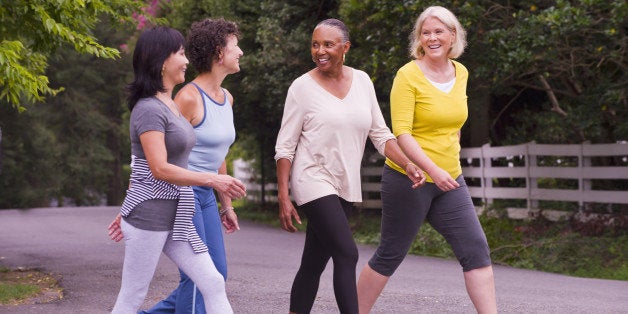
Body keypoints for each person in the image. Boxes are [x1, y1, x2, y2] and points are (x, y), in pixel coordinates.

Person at [274, 19, 425, 314]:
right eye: (315, 44)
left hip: (344, 184)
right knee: (346, 253)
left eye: (328, 44)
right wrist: (283, 195)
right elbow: (285, 146)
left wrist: (407, 163)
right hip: (312, 178)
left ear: (345, 48)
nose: (320, 51)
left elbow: (381, 134)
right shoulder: (301, 88)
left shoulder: (363, 81)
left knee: (313, 263)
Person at [356, 6, 497, 314]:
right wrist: (432, 168)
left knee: (476, 250)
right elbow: (402, 133)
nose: (432, 38)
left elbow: (454, 119)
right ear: (419, 38)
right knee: (390, 253)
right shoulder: (408, 76)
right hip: (410, 179)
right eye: (426, 32)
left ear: (452, 36)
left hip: (450, 180)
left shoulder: (461, 72)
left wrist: (450, 145)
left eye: (439, 32)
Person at [109, 26, 246, 314]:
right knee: (132, 296)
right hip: (150, 216)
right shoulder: (148, 109)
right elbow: (157, 167)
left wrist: (220, 195)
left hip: (178, 211)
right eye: (180, 54)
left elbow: (178, 158)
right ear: (162, 60)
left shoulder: (169, 104)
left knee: (212, 280)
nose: (186, 60)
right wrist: (214, 179)